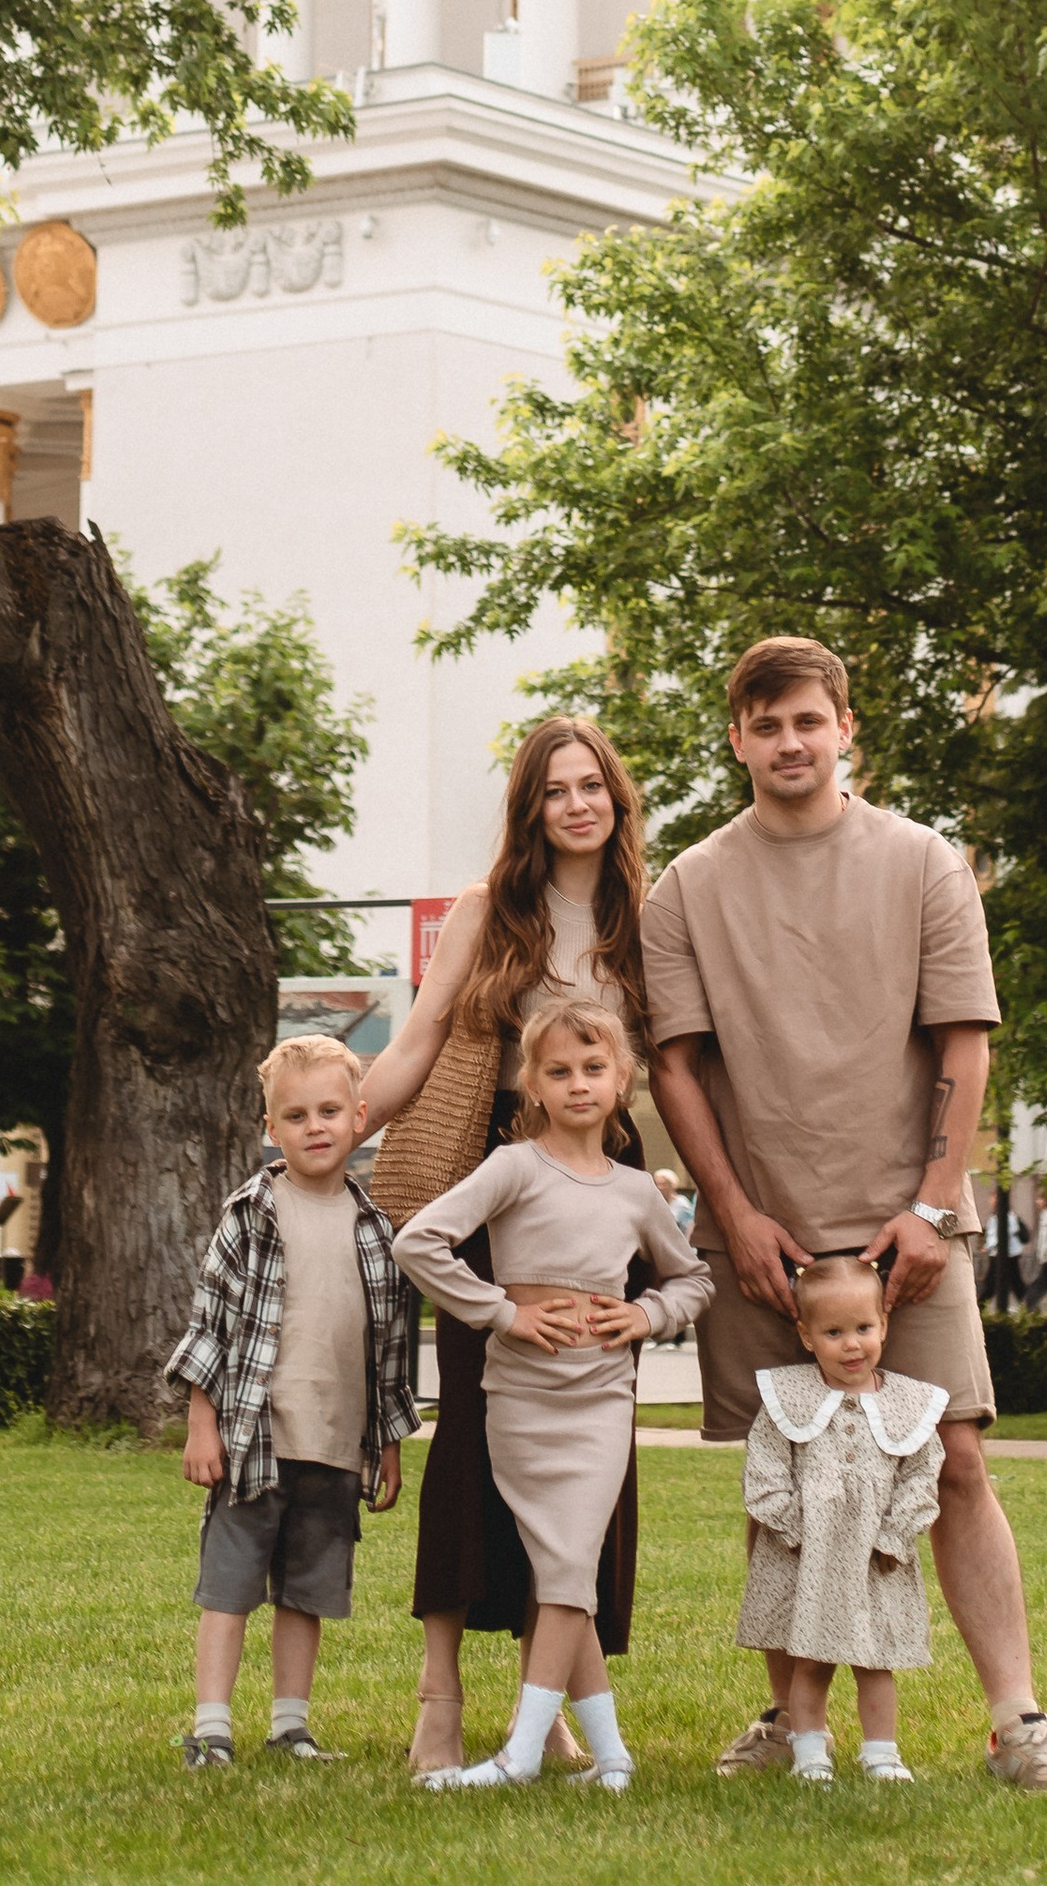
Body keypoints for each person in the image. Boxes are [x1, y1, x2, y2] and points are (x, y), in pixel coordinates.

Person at [644, 634, 1047, 1795]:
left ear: (847, 728)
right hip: (763, 1242)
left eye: (807, 720)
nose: (788, 741)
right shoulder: (686, 886)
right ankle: (793, 1726)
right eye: (764, 723)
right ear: (735, 737)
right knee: (783, 1482)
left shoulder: (927, 861)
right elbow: (677, 1071)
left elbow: (963, 1039)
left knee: (954, 1463)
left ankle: (1020, 1723)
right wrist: (731, 1214)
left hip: (909, 1228)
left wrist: (936, 1206)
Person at [358, 716, 653, 1774]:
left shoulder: (645, 924)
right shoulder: (492, 910)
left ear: (617, 802)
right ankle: (439, 1695)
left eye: (592, 787)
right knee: (477, 1441)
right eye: (554, 790)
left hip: (599, 1201)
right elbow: (421, 1038)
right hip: (497, 1197)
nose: (576, 804)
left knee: (589, 1457)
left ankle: (551, 1697)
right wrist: (345, 1121)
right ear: (530, 809)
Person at [394, 991, 711, 1791]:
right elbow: (418, 1241)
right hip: (520, 1404)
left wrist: (646, 1315)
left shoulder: (639, 1192)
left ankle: (521, 1754)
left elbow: (695, 1279)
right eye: (559, 1070)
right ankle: (612, 1760)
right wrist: (500, 1313)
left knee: (569, 1571)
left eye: (594, 1069)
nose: (578, 1084)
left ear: (622, 1080)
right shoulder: (511, 1168)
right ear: (531, 1083)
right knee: (557, 1567)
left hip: (599, 1404)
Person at [165, 1034, 416, 1770]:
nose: (316, 1127)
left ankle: (290, 1725)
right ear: (271, 1128)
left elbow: (389, 1349)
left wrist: (389, 1444)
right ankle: (211, 1726)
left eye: (331, 1111)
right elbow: (209, 1323)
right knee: (231, 1587)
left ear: (360, 1117)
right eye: (297, 1115)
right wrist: (201, 1424)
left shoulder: (376, 1229)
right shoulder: (251, 1212)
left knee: (308, 1590)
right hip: (253, 1441)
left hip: (336, 1446)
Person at [737, 1249, 946, 1786]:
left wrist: (896, 1532)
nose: (851, 1344)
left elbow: (923, 1472)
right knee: (810, 1657)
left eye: (863, 1328)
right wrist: (791, 1524)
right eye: (833, 1332)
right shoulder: (788, 1399)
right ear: (806, 1336)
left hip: (877, 1556)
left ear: (884, 1325)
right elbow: (766, 1468)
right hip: (812, 1553)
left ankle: (881, 1753)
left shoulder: (908, 1404)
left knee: (877, 1661)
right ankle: (809, 1752)